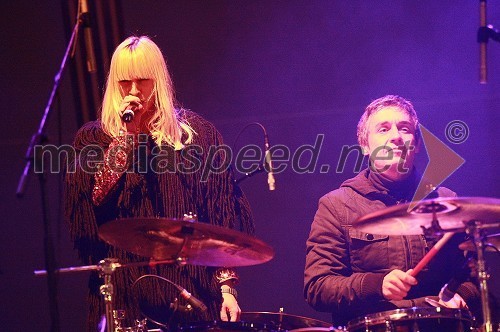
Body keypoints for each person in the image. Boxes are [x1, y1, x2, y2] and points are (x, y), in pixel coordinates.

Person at [65, 35, 254, 330]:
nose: (134, 91)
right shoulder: (94, 140)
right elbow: (94, 200)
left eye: (143, 80)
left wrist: (227, 290)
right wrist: (128, 137)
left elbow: (220, 215)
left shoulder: (197, 136)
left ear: (159, 80)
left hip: (189, 294)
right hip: (125, 297)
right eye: (125, 83)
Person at [304, 95, 481, 327]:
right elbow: (318, 286)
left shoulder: (446, 201)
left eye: (404, 128)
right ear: (365, 146)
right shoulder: (336, 206)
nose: (396, 137)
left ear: (417, 144)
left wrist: (463, 296)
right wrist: (376, 285)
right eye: (384, 129)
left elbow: (473, 277)